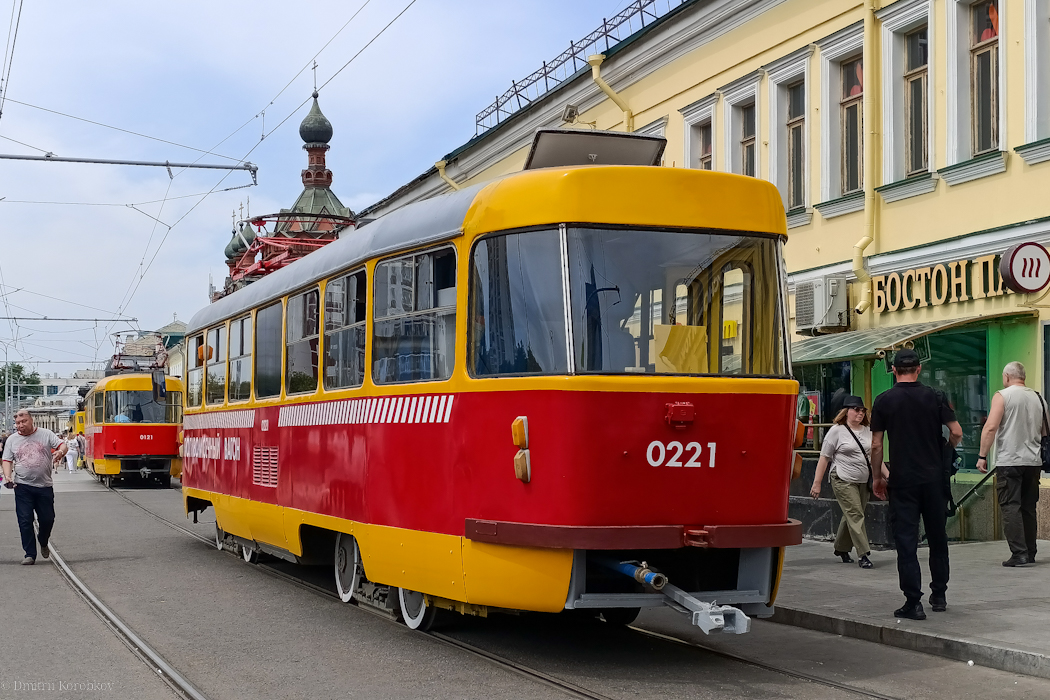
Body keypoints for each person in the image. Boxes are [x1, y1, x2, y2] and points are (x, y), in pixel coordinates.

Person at [870, 349, 963, 620]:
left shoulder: (884, 400)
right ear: (919, 369)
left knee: (907, 541)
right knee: (938, 538)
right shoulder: (935, 397)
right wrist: (945, 449)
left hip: (903, 482)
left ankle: (914, 601)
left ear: (895, 371)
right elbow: (956, 431)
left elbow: (876, 445)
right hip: (934, 480)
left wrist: (878, 477)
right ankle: (940, 594)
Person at [977, 361, 1046, 567]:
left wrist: (982, 456)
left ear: (1007, 377)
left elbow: (991, 427)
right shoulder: (1038, 397)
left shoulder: (1003, 395)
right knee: (1028, 507)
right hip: (1033, 462)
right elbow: (1045, 431)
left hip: (1010, 461)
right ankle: (1030, 552)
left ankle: (1019, 553)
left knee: (1010, 506)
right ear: (1023, 377)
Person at [810, 395, 874, 569]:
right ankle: (864, 554)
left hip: (863, 480)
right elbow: (824, 458)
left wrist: (886, 475)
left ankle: (841, 548)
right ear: (846, 412)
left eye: (862, 410)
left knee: (853, 514)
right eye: (856, 410)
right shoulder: (837, 431)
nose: (860, 413)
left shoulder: (868, 430)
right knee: (855, 514)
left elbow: (874, 457)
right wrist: (817, 483)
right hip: (842, 478)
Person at [1, 409, 67, 565]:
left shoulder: (45, 434)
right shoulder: (12, 440)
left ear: (31, 421)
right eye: (18, 423)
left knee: (47, 519)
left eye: (24, 421)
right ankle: (29, 554)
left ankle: (43, 541)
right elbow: (7, 460)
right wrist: (7, 475)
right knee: (25, 520)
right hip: (22, 486)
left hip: (44, 486)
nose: (21, 425)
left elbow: (62, 445)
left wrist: (60, 452)